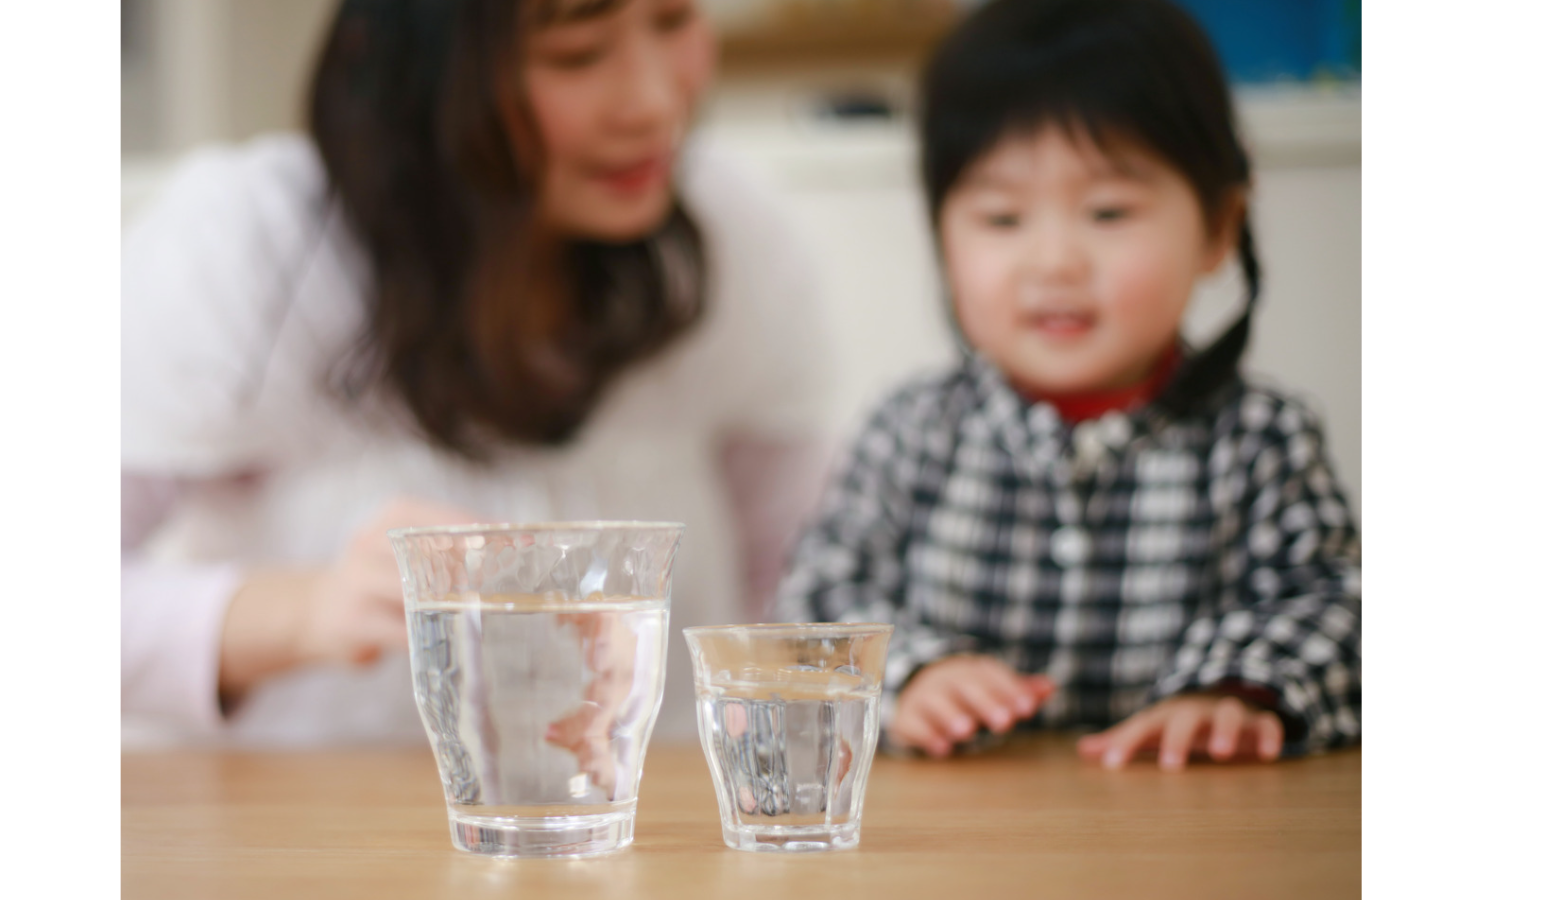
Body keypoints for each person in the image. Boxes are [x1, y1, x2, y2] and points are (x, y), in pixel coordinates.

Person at [121, 0, 830, 746]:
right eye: (578, 55)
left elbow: (806, 579)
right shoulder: (248, 243)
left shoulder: (727, 230)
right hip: (301, 839)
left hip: (648, 831)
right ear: (418, 72)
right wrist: (307, 610)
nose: (654, 103)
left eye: (676, 21)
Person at [775, 0, 1362, 770]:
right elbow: (811, 606)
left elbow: (1333, 607)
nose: (1054, 262)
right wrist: (914, 671)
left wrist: (1235, 690)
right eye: (1002, 217)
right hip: (957, 848)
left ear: (1220, 226)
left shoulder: (1261, 439)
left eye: (1108, 211)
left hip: (1189, 838)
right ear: (942, 237)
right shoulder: (911, 430)